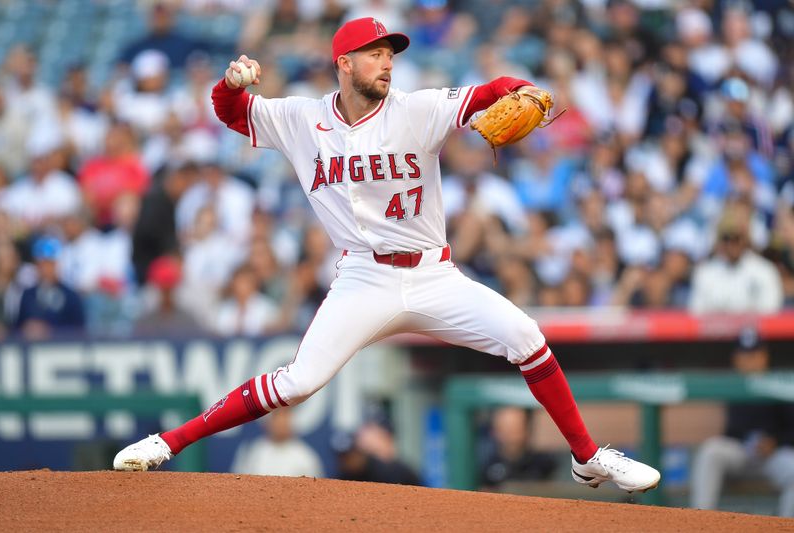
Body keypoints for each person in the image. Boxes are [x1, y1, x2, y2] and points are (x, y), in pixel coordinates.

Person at [113, 17, 661, 494]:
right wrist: (229, 84)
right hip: (363, 279)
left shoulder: (418, 109)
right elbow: (229, 111)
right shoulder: (302, 119)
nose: (387, 63)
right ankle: (168, 442)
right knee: (299, 382)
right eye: (375, 54)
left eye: (391, 53)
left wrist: (526, 89)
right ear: (343, 64)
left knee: (527, 339)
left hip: (434, 274)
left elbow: (492, 90)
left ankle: (587, 459)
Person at [690, 327, 794, 517]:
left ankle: (787, 526)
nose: (750, 360)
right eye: (745, 355)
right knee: (711, 450)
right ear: (736, 359)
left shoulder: (780, 383)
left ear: (764, 357)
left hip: (773, 455)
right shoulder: (733, 385)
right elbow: (730, 431)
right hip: (741, 452)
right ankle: (700, 520)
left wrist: (776, 441)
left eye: (755, 354)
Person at [231, 407, 324, 478]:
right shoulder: (251, 452)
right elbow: (239, 485)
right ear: (268, 422)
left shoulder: (305, 456)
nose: (281, 422)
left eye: (285, 416)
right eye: (277, 416)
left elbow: (315, 493)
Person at [479, 406, 558, 490]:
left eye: (514, 428)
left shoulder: (544, 465)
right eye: (503, 428)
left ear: (527, 429)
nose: (508, 434)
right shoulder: (485, 464)